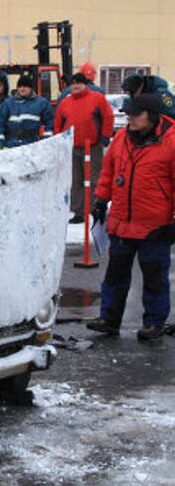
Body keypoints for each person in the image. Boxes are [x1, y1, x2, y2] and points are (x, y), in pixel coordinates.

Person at [86, 94, 175, 341]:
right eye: (128, 113)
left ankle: (154, 322)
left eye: (136, 114)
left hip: (155, 225)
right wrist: (101, 200)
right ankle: (109, 319)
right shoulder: (122, 137)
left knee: (154, 278)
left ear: (152, 116)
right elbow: (108, 172)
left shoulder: (171, 140)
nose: (130, 118)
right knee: (115, 274)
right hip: (121, 222)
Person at [54, 73, 115, 224]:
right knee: (75, 180)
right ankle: (79, 211)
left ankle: (96, 207)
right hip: (72, 148)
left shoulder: (97, 98)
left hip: (92, 146)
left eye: (79, 83)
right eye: (73, 84)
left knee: (94, 178)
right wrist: (59, 142)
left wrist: (104, 137)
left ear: (85, 84)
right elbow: (58, 123)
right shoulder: (65, 103)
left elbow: (108, 117)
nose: (75, 86)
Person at [0, 75, 54, 149]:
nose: (22, 89)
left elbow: (50, 123)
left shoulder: (41, 103)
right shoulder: (8, 103)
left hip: (32, 145)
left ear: (30, 88)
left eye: (25, 86)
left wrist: (47, 141)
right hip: (10, 145)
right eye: (20, 86)